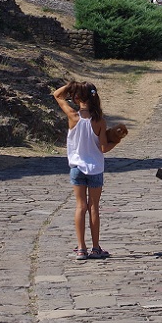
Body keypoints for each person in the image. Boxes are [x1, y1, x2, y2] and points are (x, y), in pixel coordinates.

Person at [52, 81, 126, 260]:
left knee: (80, 206)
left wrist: (71, 85)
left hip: (77, 168)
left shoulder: (72, 116)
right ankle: (95, 248)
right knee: (94, 207)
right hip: (95, 169)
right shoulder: (99, 121)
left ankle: (81, 248)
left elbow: (57, 95)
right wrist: (116, 141)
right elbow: (103, 148)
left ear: (77, 98)